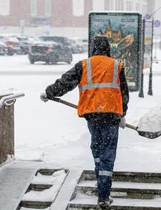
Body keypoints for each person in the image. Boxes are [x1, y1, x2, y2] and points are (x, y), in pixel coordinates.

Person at [40, 36, 129, 209]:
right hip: (111, 116)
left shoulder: (84, 65)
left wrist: (49, 92)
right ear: (108, 49)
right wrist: (122, 113)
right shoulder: (116, 66)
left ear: (93, 49)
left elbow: (65, 83)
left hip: (92, 115)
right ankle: (103, 195)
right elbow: (123, 92)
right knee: (108, 153)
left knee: (97, 149)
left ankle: (101, 183)